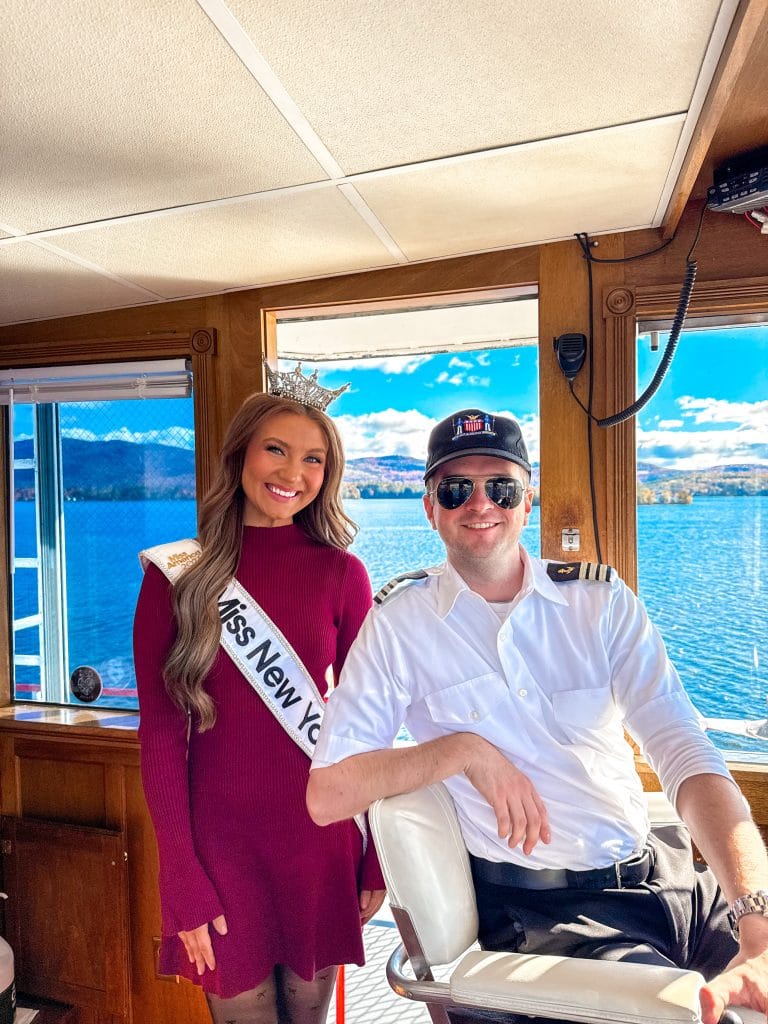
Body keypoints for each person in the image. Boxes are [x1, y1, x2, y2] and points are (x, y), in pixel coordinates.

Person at [307, 406, 768, 1024]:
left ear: (528, 500)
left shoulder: (601, 602)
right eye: (455, 488)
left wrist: (756, 916)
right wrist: (463, 751)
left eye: (501, 486)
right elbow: (327, 793)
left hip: (670, 872)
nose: (480, 503)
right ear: (430, 508)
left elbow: (684, 751)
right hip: (553, 916)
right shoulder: (400, 625)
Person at [134, 367, 385, 1024]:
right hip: (220, 848)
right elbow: (160, 734)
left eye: (314, 459)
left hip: (319, 840)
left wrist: (377, 853)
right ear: (241, 453)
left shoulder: (342, 574)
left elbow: (372, 722)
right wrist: (178, 874)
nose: (292, 472)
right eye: (276, 448)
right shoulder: (177, 576)